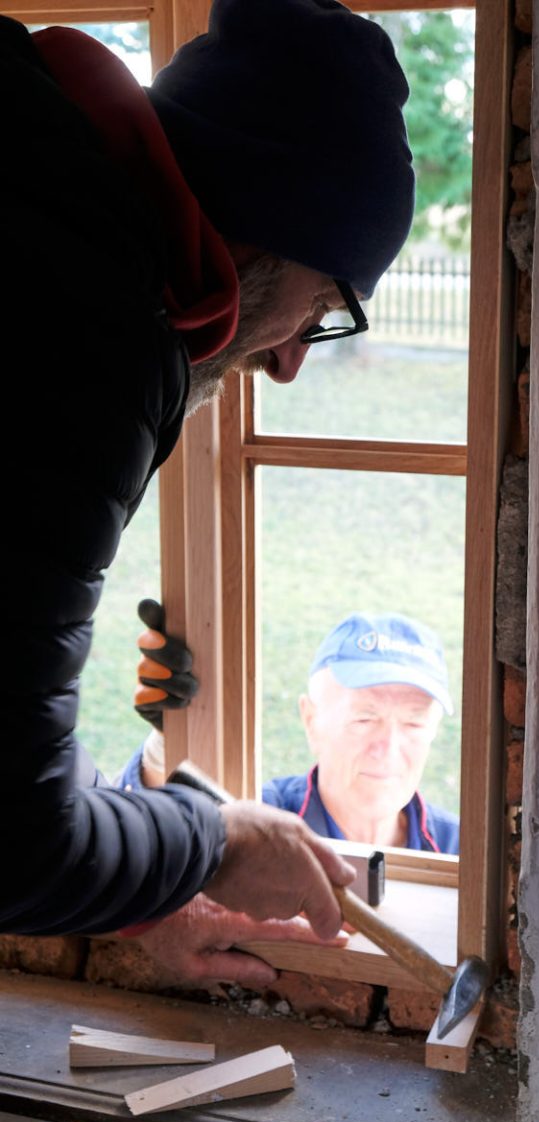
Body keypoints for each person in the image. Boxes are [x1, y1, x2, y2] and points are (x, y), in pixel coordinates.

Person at [1, 0, 415, 986]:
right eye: (321, 308)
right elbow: (14, 840)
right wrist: (213, 839)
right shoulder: (89, 329)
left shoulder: (39, 190)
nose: (289, 363)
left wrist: (146, 887)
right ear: (261, 232)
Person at [123, 609, 460, 853]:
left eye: (414, 723)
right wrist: (167, 746)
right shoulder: (258, 822)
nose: (387, 748)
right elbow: (167, 841)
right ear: (311, 721)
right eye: (364, 719)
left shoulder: (461, 852)